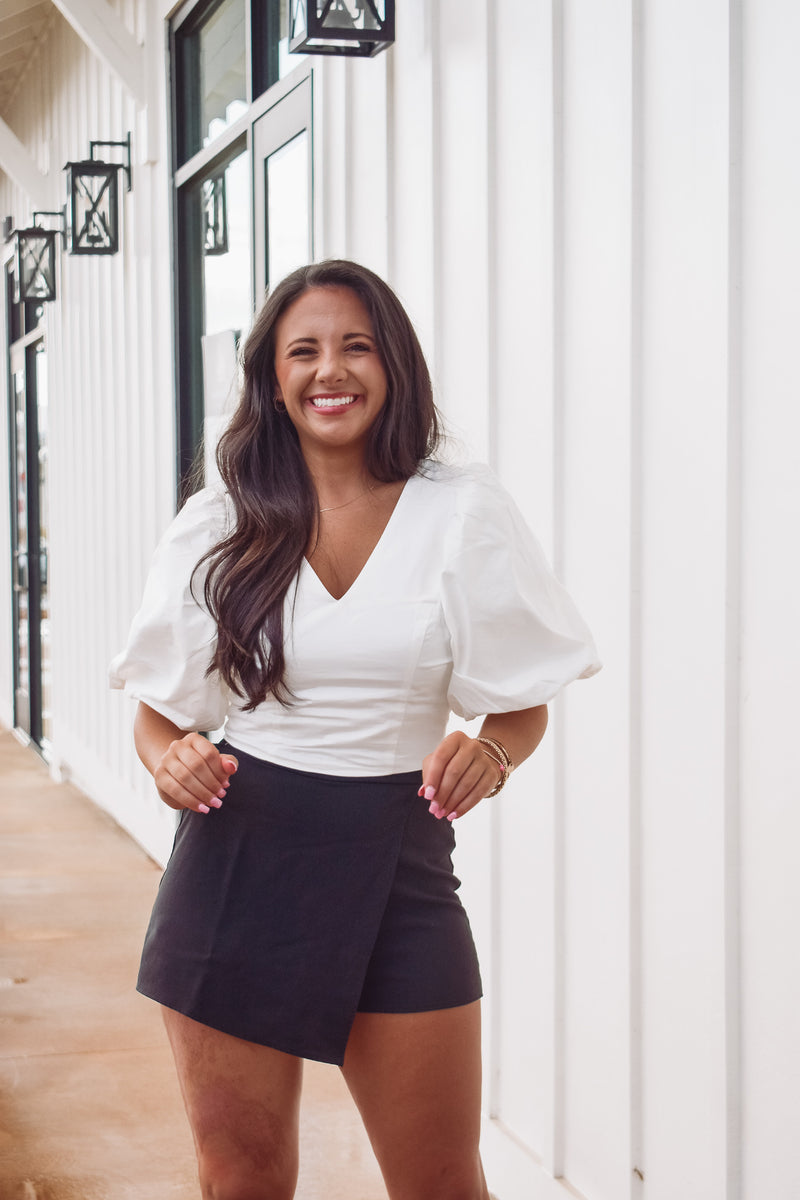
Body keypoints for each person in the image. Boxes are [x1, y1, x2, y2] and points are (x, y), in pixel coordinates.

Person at [110, 259, 600, 1200]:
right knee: (242, 1179)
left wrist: (491, 750)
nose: (329, 371)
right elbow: (159, 709)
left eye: (355, 347)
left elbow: (521, 698)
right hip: (236, 867)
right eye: (303, 351)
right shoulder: (220, 520)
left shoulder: (461, 511)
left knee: (441, 1182)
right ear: (273, 378)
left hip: (400, 871)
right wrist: (164, 757)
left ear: (392, 366)